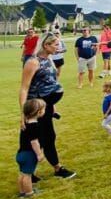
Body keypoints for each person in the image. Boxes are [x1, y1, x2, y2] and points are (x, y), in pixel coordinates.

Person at [18, 32, 76, 179]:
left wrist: (53, 106)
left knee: (49, 136)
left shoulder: (49, 59)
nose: (58, 47)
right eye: (56, 44)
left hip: (46, 106)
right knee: (32, 138)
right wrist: (23, 113)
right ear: (46, 45)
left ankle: (56, 168)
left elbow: (51, 82)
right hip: (35, 108)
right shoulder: (33, 62)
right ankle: (28, 173)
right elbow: (24, 88)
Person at [16, 98, 46, 198]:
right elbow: (34, 142)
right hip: (29, 155)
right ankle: (29, 193)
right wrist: (39, 154)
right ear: (39, 112)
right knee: (28, 175)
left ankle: (22, 192)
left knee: (22, 173)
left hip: (21, 153)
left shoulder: (25, 123)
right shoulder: (35, 126)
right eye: (44, 109)